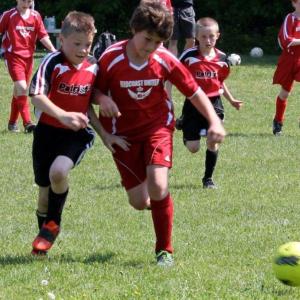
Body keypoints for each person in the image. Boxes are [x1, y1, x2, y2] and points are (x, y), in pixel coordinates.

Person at [94, 1, 225, 267]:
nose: (151, 47)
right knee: (139, 202)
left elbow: (194, 91)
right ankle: (160, 205)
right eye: (147, 39)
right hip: (122, 135)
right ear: (134, 29)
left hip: (158, 128)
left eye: (158, 42)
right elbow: (91, 91)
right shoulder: (111, 57)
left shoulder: (164, 59)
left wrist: (214, 121)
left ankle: (164, 250)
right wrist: (102, 99)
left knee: (158, 184)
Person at [28, 11, 127, 256]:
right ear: (62, 40)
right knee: (43, 195)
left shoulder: (93, 66)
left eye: (88, 45)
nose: (83, 50)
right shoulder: (52, 62)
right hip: (46, 134)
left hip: (76, 134)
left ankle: (54, 222)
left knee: (58, 172)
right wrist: (62, 115)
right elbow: (37, 95)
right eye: (77, 44)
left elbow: (89, 102)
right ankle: (44, 241)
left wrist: (106, 135)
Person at [176, 17, 242, 189]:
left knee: (213, 139)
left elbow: (220, 82)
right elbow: (172, 74)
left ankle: (208, 179)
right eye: (204, 37)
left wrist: (232, 99)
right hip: (193, 103)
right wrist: (167, 97)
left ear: (217, 36)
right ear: (196, 37)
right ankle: (185, 123)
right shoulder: (188, 56)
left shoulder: (222, 59)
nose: (208, 40)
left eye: (211, 36)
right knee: (193, 148)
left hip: (214, 103)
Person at [0, 0, 56, 133]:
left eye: (29, 0)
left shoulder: (36, 16)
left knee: (19, 90)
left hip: (29, 58)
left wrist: (54, 51)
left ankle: (12, 123)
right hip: (13, 56)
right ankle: (28, 123)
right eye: (24, 0)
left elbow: (43, 36)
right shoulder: (9, 15)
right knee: (22, 87)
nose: (27, 2)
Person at [272, 0, 300, 136]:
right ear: (294, 4)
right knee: (285, 93)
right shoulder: (290, 18)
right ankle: (278, 122)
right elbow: (286, 40)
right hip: (289, 59)